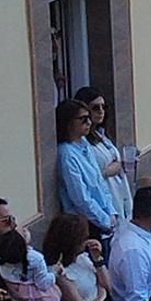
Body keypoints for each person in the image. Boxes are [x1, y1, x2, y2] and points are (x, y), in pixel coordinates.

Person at [53, 98, 118, 237]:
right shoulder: (66, 154)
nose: (89, 122)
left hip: (105, 219)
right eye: (83, 119)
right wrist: (105, 221)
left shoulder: (84, 143)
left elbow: (100, 184)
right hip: (85, 223)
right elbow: (80, 198)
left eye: (89, 118)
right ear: (69, 122)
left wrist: (111, 211)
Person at [75, 89, 133, 225]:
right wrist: (111, 170)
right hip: (107, 202)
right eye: (95, 108)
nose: (101, 111)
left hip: (120, 193)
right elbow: (90, 177)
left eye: (103, 107)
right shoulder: (82, 143)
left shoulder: (101, 134)